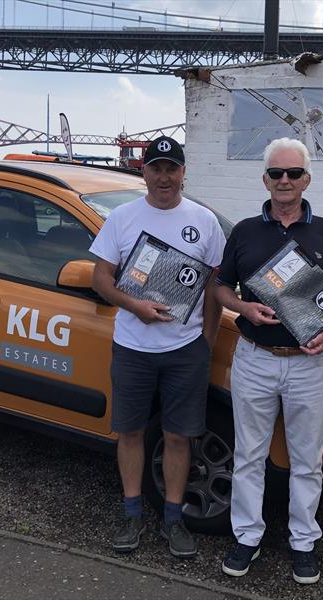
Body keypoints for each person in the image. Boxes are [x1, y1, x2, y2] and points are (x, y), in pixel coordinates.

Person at [214, 137, 323, 584]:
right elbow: (219, 286)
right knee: (248, 454)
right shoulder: (246, 231)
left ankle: (304, 541)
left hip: (308, 363)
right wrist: (242, 308)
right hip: (255, 356)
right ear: (265, 179)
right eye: (276, 173)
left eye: (293, 173)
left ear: (307, 179)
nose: (284, 181)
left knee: (307, 459)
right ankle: (247, 536)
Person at [89, 136, 225, 558]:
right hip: (132, 346)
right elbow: (101, 280)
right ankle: (132, 514)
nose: (164, 176)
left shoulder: (204, 221)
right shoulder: (122, 218)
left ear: (184, 172)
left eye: (172, 168)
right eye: (156, 167)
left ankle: (172, 518)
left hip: (185, 350)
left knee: (179, 436)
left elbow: (214, 288)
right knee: (129, 432)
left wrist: (206, 343)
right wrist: (136, 306)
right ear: (143, 172)